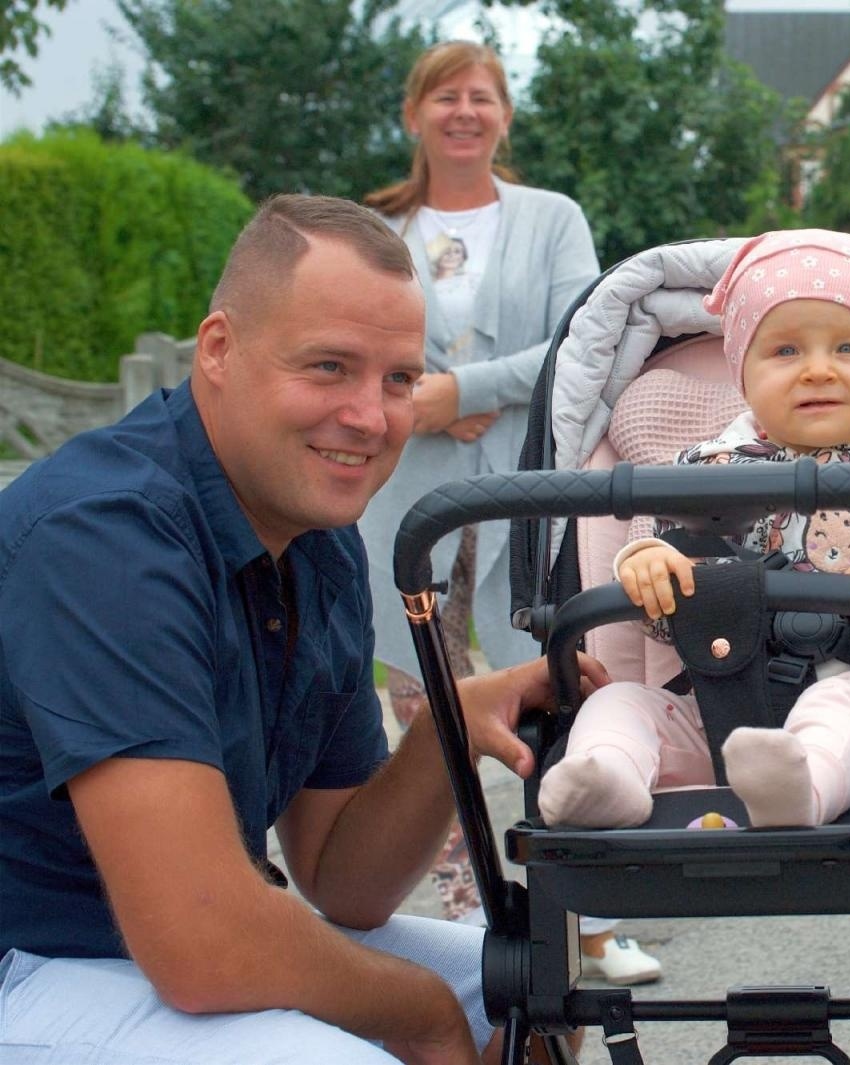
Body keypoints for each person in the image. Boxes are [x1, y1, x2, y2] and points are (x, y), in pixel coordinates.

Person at [0, 194, 608, 1064]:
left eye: (399, 379)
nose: (371, 415)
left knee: (530, 988)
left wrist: (446, 726)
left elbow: (340, 877)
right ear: (219, 349)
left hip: (160, 948)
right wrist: (420, 1018)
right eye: (329, 367)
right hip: (30, 963)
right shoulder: (107, 539)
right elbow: (203, 939)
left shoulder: (316, 544)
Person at [360, 41, 656, 984]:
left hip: (526, 503)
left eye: (481, 96)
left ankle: (593, 923)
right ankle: (471, 922)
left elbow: (582, 339)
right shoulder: (376, 228)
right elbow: (356, 347)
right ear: (414, 114)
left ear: (504, 116)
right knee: (431, 720)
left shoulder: (549, 219)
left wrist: (465, 388)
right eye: (445, 96)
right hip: (407, 510)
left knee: (560, 694)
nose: (464, 111)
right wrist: (422, 398)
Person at [537, 229, 850, 830]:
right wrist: (648, 567)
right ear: (743, 375)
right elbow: (659, 619)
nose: (817, 371)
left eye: (849, 349)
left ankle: (802, 788)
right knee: (623, 703)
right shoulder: (703, 473)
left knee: (845, 706)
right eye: (784, 352)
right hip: (719, 710)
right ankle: (607, 778)